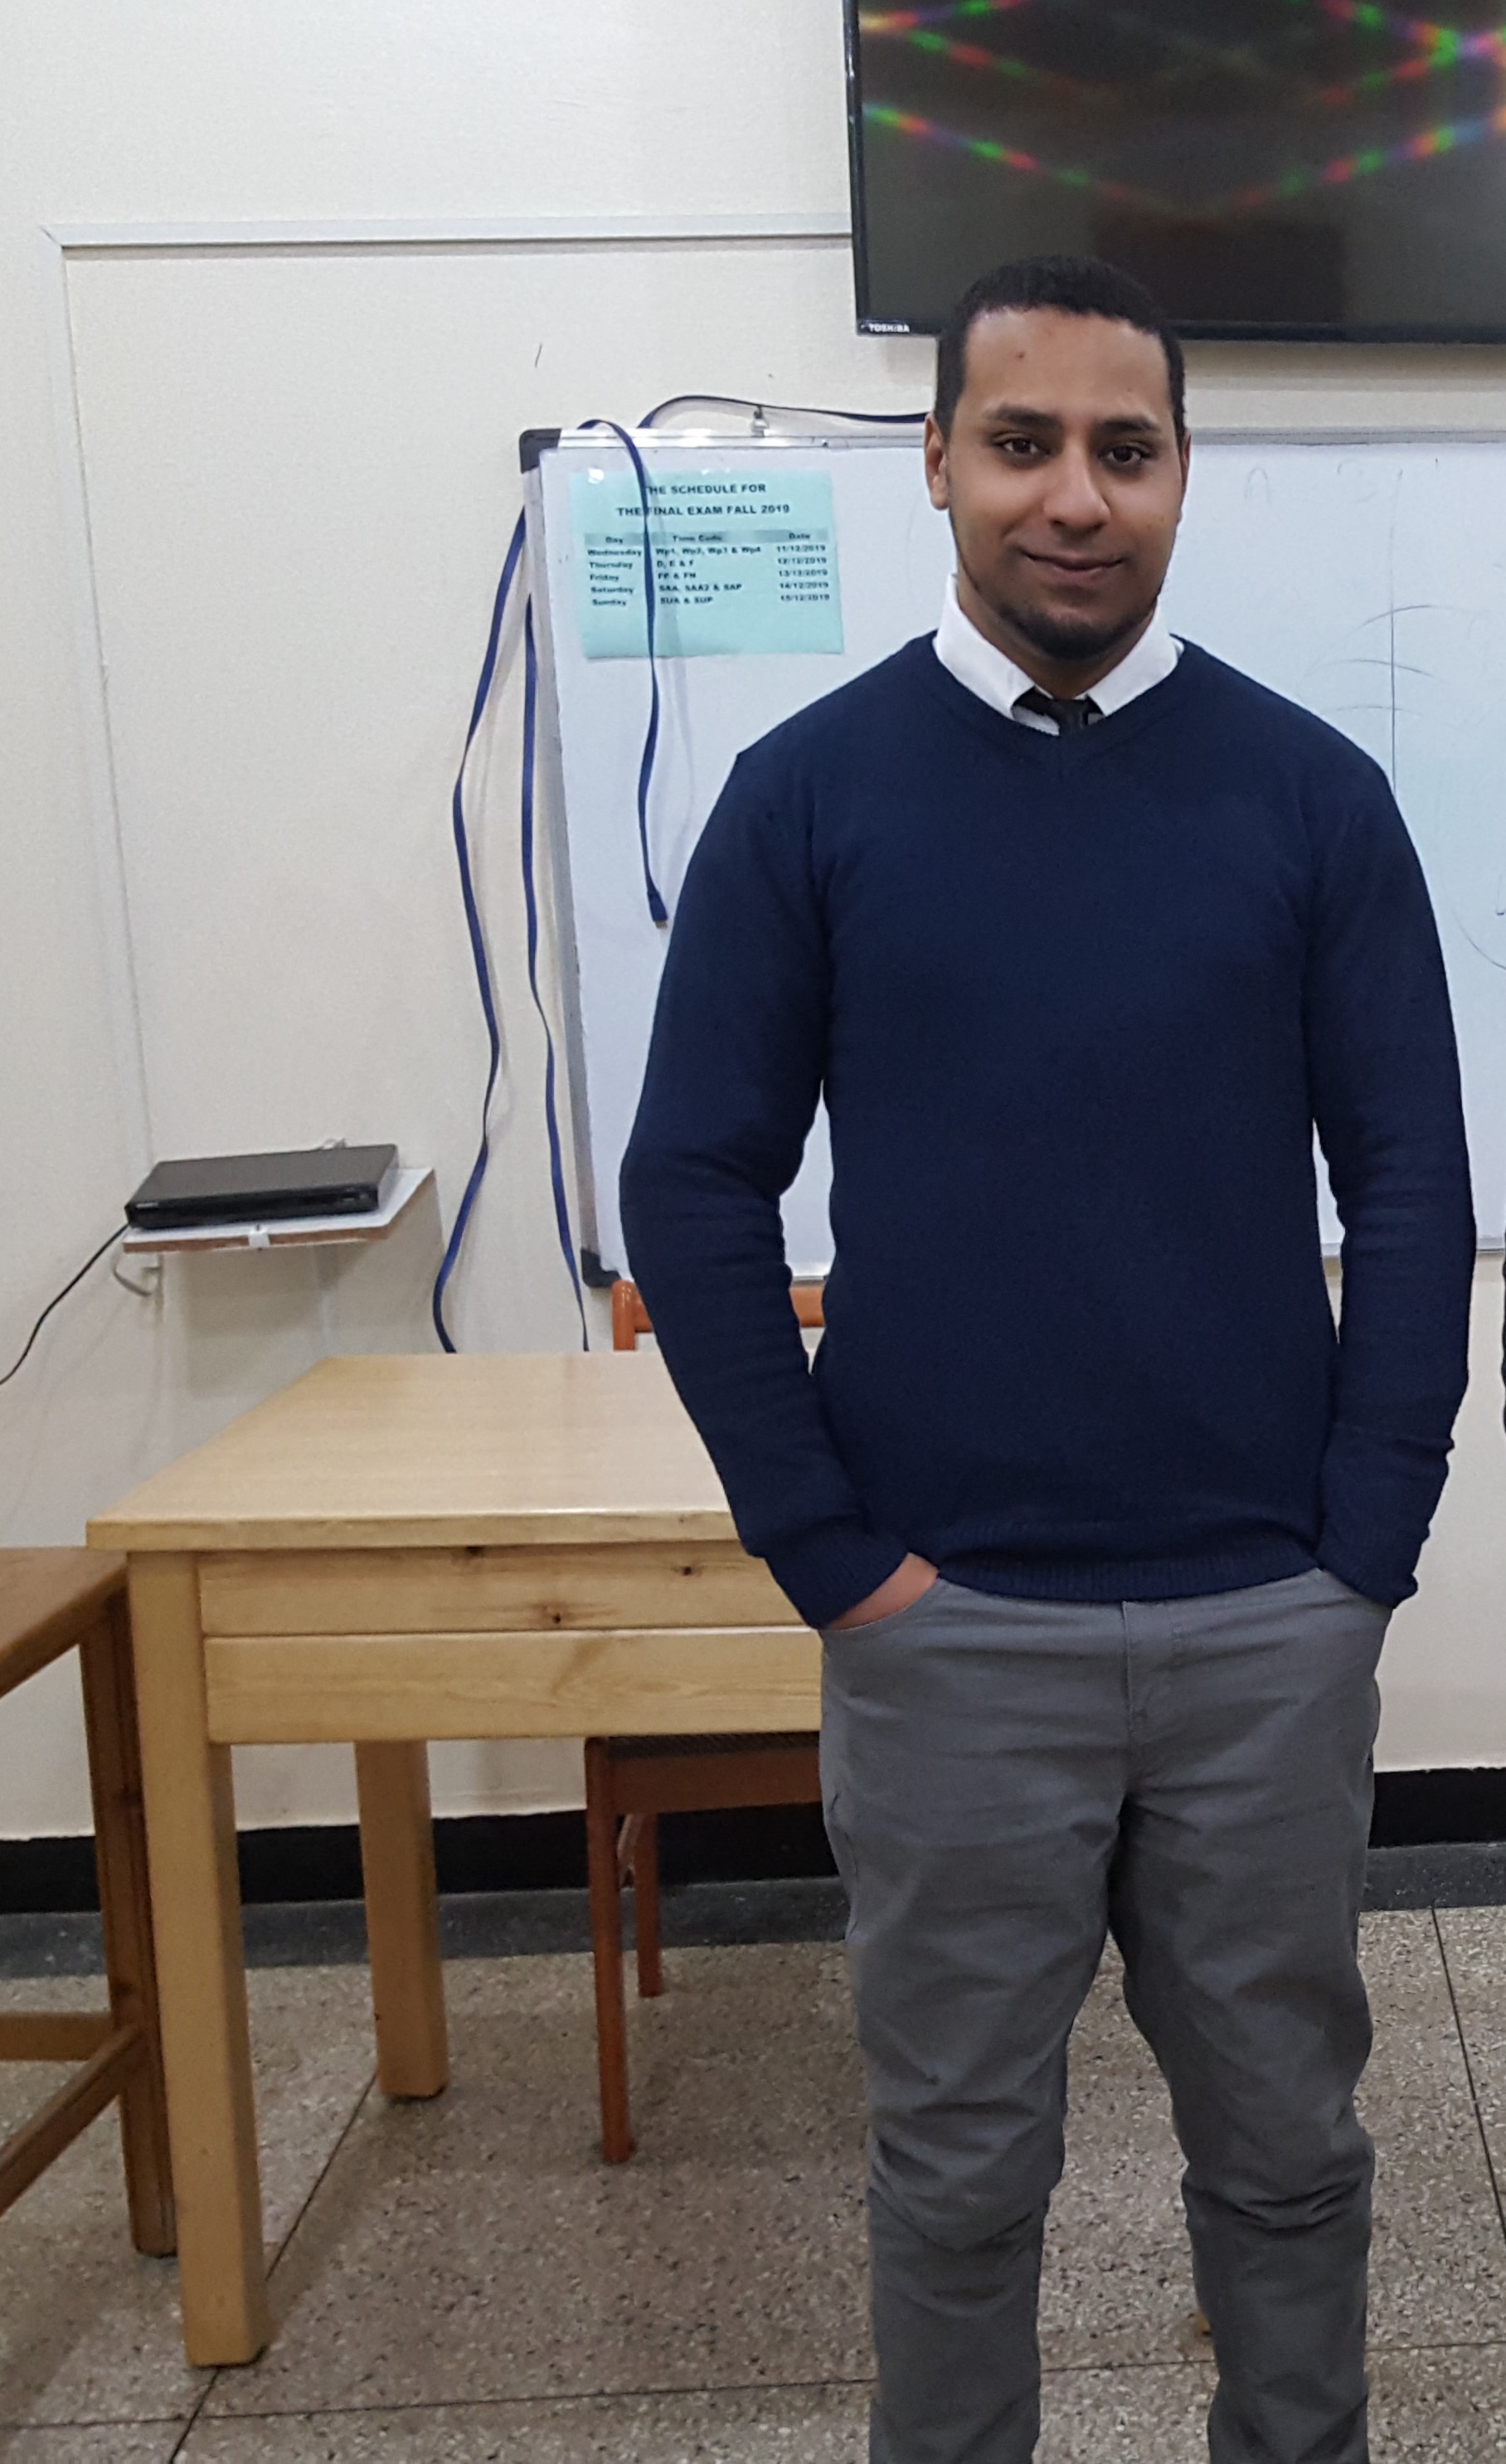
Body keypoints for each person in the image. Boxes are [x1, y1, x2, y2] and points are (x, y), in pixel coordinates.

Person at [619, 254, 1474, 2463]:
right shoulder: (809, 799)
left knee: (1289, 2157)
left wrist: (1365, 1547)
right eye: (1023, 443)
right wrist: (831, 1555)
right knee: (959, 2180)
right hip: (948, 1634)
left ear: (1183, 474)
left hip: (1264, 1626)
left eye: (1126, 447)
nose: (1075, 495)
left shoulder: (1313, 800)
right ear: (935, 464)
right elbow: (692, 1185)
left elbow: (1408, 1179)